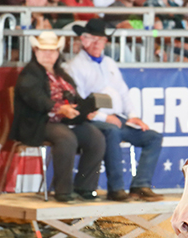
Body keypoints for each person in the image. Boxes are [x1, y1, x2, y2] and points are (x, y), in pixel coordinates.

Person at [66, 19, 164, 202]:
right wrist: (105, 116)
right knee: (111, 132)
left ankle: (140, 185)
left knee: (153, 137)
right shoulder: (74, 66)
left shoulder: (109, 62)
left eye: (101, 39)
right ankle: (116, 188)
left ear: (105, 41)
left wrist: (133, 116)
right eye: (93, 39)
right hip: (93, 121)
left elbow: (123, 92)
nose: (97, 44)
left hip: (119, 119)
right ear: (84, 40)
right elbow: (79, 104)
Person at [12, 31, 105, 203]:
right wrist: (59, 108)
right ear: (36, 51)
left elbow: (75, 96)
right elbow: (35, 99)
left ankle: (85, 188)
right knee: (65, 138)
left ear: (57, 53)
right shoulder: (29, 73)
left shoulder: (61, 74)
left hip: (64, 122)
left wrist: (84, 109)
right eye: (44, 50)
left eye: (52, 51)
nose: (48, 54)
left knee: (95, 137)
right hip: (37, 123)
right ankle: (63, 191)